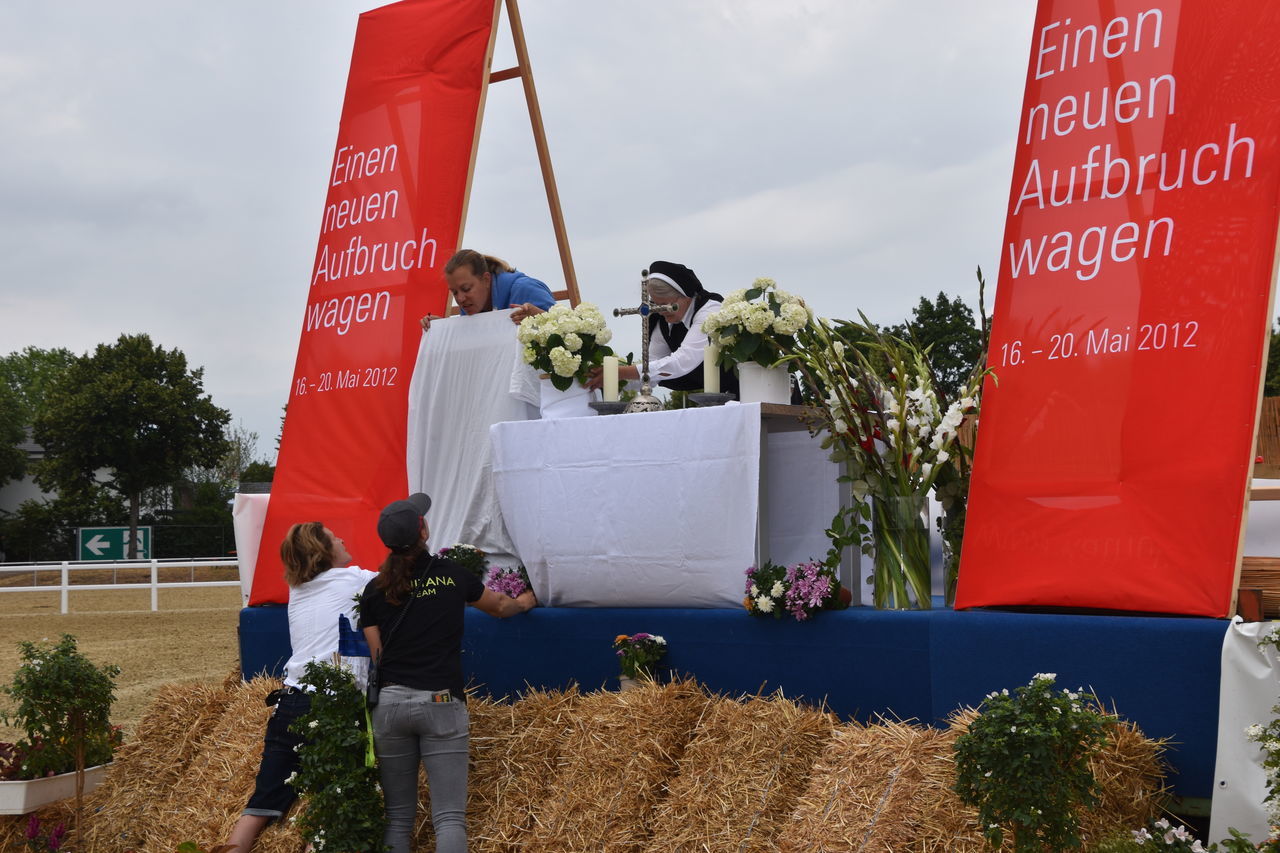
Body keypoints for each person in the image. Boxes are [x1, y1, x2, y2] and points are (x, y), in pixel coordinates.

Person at [359, 492, 536, 853]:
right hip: (440, 700)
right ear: (423, 532)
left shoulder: (374, 589)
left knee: (397, 818)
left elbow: (378, 655)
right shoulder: (452, 575)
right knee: (450, 818)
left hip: (389, 705)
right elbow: (499, 606)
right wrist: (525, 601)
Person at [223, 522, 378, 853]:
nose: (342, 538)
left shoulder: (298, 589)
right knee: (331, 805)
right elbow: (403, 578)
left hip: (290, 703)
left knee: (261, 803)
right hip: (334, 704)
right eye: (335, 538)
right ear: (324, 551)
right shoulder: (354, 580)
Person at [587, 259, 738, 395]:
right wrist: (611, 380)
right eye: (655, 304)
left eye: (665, 304)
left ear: (685, 296)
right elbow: (653, 369)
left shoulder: (710, 311)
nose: (659, 311)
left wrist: (620, 372)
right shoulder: (663, 323)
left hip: (745, 389)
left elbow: (683, 360)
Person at [420, 249, 557, 331]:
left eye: (466, 289)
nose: (460, 299)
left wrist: (541, 318)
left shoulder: (525, 289)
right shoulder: (470, 307)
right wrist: (443, 330)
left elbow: (568, 330)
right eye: (454, 292)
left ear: (486, 279)